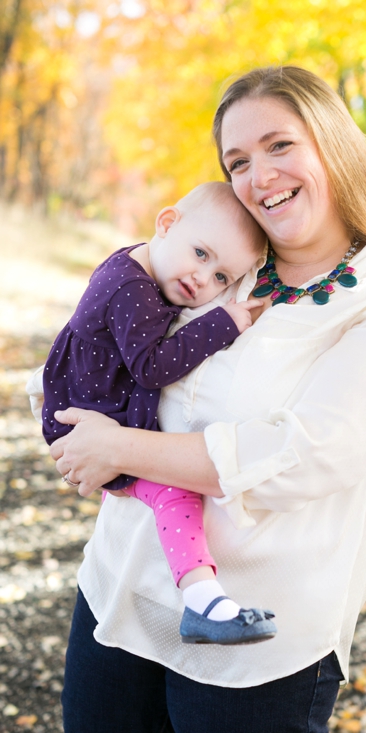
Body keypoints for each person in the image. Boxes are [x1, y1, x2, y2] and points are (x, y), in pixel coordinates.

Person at [46, 66, 366, 732]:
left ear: (332, 143)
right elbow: (124, 351)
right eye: (237, 161)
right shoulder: (220, 266)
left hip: (258, 645)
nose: (258, 175)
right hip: (120, 592)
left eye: (279, 145)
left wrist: (117, 447)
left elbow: (297, 456)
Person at [35, 181, 277, 646]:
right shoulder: (133, 291)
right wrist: (222, 322)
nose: (203, 280)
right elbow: (152, 367)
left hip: (90, 408)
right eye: (202, 254)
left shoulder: (134, 264)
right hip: (87, 418)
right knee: (175, 493)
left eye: (223, 278)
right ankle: (204, 603)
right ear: (166, 223)